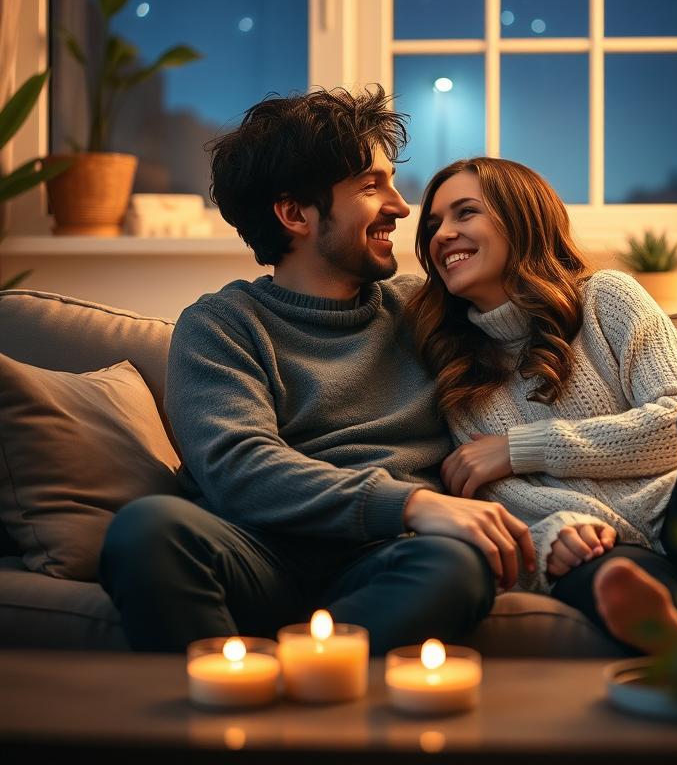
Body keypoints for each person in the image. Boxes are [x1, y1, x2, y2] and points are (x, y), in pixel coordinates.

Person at [99, 89, 536, 654]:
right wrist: (408, 502)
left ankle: (291, 682)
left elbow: (545, 335)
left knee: (455, 565)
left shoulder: (425, 312)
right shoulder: (221, 326)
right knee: (146, 531)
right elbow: (240, 467)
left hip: (385, 556)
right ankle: (214, 728)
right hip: (258, 552)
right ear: (294, 214)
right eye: (371, 186)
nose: (403, 209)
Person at [407, 157, 677, 653]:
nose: (442, 234)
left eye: (464, 213)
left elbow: (676, 424)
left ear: (521, 218)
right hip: (617, 554)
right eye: (433, 225)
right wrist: (554, 534)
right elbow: (493, 502)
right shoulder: (454, 371)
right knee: (596, 576)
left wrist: (522, 447)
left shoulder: (606, 298)